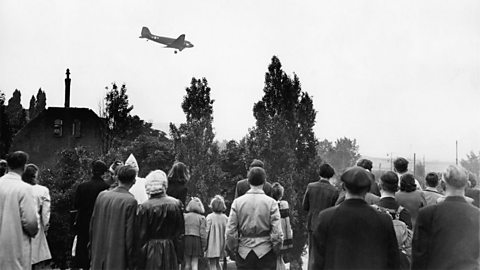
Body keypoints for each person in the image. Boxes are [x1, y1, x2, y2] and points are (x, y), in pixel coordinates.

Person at [310, 166, 400, 270]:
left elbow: (318, 261)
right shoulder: (384, 220)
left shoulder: (326, 217)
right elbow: (393, 261)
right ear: (367, 189)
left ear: (344, 186)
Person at [412, 165, 480, 270]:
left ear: (442, 184)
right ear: (466, 185)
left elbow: (419, 255)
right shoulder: (477, 214)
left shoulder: (427, 214)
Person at [226, 167, 283, 270]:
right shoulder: (271, 203)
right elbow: (277, 233)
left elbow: (230, 231)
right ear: (265, 181)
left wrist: (234, 248)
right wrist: (276, 249)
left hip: (244, 252)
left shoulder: (237, 202)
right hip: (266, 252)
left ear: (248, 181)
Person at [90, 165, 138, 270]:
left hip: (98, 257)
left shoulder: (102, 196)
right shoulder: (130, 201)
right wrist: (133, 264)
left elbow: (92, 227)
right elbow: (130, 237)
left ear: (117, 178)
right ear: (134, 181)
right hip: (117, 260)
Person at [136, 170, 185, 270]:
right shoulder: (176, 204)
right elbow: (180, 234)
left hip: (151, 252)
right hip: (170, 251)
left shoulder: (144, 207)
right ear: (165, 185)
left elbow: (140, 236)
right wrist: (179, 258)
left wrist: (137, 260)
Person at [0, 151, 38, 270]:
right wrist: (34, 231)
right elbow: (31, 222)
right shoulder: (24, 189)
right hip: (16, 247)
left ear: (8, 165)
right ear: (24, 166)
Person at [73, 160, 109, 269]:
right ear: (104, 173)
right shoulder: (106, 187)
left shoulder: (82, 186)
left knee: (83, 247)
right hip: (100, 221)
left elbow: (76, 205)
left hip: (83, 220)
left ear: (91, 171)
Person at [302, 163, 339, 270]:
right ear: (331, 175)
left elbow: (305, 206)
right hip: (327, 227)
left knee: (312, 254)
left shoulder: (311, 186)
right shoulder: (334, 190)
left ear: (319, 173)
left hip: (312, 224)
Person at [376, 171, 413, 270]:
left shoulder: (372, 211)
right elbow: (409, 243)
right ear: (397, 188)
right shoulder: (404, 212)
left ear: (380, 185)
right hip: (397, 262)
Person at [22, 164, 52, 267]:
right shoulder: (42, 190)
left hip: (20, 225)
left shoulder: (18, 188)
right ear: (35, 175)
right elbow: (46, 212)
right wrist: (46, 226)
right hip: (37, 224)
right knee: (36, 257)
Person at [272, 182, 293, 270]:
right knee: (280, 261)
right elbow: (287, 224)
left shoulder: (271, 205)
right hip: (284, 238)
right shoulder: (284, 204)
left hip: (273, 237)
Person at [205, 195, 228, 270]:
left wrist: (204, 244)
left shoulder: (210, 217)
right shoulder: (225, 218)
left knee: (212, 264)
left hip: (212, 244)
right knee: (218, 263)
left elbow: (206, 231)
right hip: (221, 244)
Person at [184, 197, 207, 270]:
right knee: (194, 263)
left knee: (187, 264)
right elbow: (203, 233)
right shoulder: (202, 218)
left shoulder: (184, 216)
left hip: (186, 239)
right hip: (197, 240)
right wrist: (204, 245)